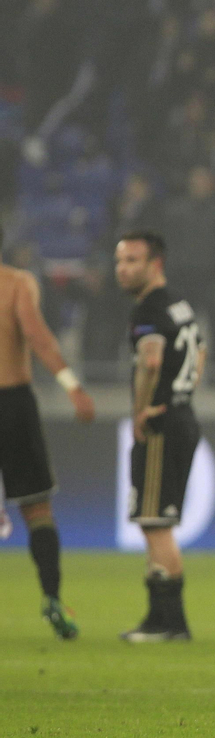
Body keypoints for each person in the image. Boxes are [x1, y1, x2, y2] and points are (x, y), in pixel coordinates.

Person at [0, 223, 96, 638]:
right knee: (37, 508)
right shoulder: (17, 284)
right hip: (13, 402)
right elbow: (37, 337)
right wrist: (73, 387)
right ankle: (53, 599)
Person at [114, 231, 207, 641]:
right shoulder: (178, 304)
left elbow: (150, 361)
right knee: (158, 521)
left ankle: (165, 622)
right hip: (182, 414)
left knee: (155, 523)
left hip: (160, 422)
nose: (123, 269)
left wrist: (143, 410)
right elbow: (199, 351)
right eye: (120, 260)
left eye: (133, 260)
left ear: (155, 264)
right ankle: (169, 621)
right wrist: (182, 394)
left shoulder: (149, 308)